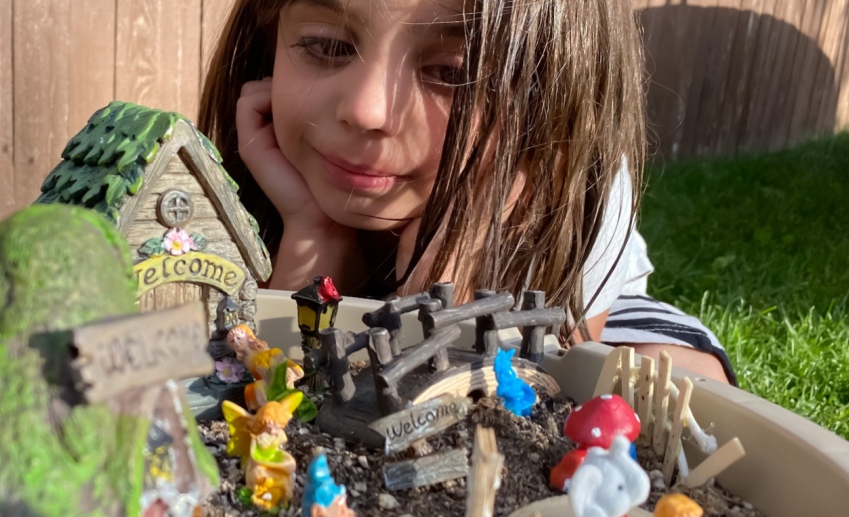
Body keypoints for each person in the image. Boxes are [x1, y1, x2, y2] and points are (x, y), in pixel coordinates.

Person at [198, 0, 734, 384]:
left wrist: (447, 277)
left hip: (571, 305)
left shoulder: (585, 176)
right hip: (359, 295)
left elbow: (547, 373)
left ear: (551, 99)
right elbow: (276, 367)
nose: (366, 110)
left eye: (453, 73)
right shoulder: (247, 173)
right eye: (327, 45)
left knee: (678, 376)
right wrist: (313, 238)